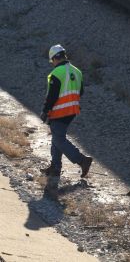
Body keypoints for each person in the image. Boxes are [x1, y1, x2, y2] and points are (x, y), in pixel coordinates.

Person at [39, 44, 92, 179]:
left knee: (59, 140)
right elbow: (81, 92)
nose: (53, 63)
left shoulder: (56, 73)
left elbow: (52, 96)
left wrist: (45, 111)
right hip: (72, 111)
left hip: (59, 111)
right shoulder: (77, 71)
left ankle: (82, 160)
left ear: (55, 58)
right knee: (57, 138)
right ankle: (55, 167)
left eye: (52, 61)